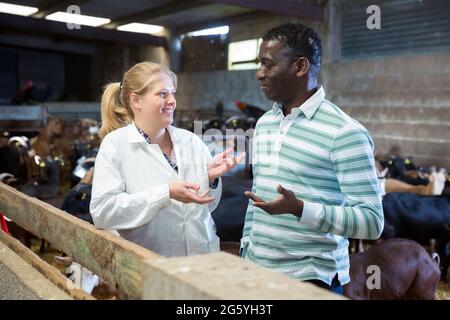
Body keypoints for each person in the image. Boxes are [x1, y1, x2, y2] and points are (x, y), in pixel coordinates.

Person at [241, 23, 384, 294]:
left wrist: (300, 209)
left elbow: (372, 222)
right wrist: (246, 246)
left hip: (309, 280)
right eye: (259, 64)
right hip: (256, 271)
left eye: (268, 65)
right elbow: (256, 198)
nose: (259, 74)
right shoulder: (265, 123)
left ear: (300, 66)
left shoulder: (345, 133)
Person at [90, 62, 244, 257]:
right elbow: (103, 213)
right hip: (152, 264)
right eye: (162, 94)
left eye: (172, 93)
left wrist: (210, 179)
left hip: (203, 260)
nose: (172, 101)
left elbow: (208, 206)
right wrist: (165, 193)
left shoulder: (191, 141)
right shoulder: (116, 146)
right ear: (136, 100)